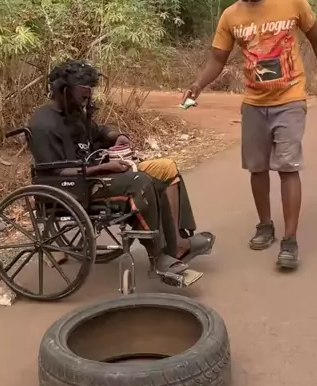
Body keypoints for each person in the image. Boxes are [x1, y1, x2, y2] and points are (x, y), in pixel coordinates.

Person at [182, 0, 317, 271]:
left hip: (290, 99)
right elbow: (217, 59)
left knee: (288, 167)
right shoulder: (231, 16)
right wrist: (197, 85)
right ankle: (265, 225)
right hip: (254, 102)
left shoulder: (293, 2)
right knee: (257, 168)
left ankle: (290, 240)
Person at [27, 61, 213, 275]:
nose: (86, 101)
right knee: (141, 182)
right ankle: (159, 256)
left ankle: (178, 242)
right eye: (83, 96)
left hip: (97, 174)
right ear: (65, 91)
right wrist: (103, 168)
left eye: (88, 96)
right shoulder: (43, 124)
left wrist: (116, 137)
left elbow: (98, 133)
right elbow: (55, 174)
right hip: (78, 186)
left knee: (166, 169)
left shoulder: (74, 113)